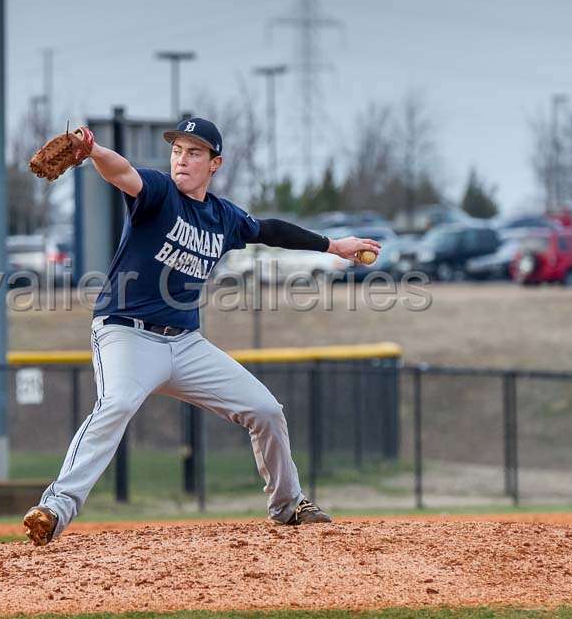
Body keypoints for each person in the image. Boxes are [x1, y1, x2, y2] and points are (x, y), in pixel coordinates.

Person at [23, 117, 381, 545]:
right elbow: (124, 173)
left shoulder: (223, 217)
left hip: (185, 344)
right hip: (126, 333)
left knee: (266, 410)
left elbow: (269, 230)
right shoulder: (157, 194)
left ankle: (288, 506)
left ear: (215, 163)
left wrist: (332, 246)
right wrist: (95, 151)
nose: (182, 159)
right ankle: (55, 507)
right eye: (177, 150)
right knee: (115, 404)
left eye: (194, 152)